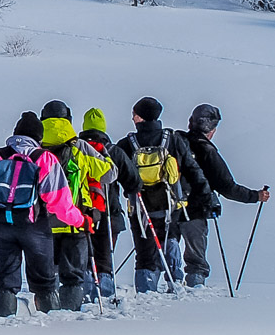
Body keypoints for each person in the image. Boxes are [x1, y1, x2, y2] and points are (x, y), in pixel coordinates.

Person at [0, 111, 86, 315]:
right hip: (36, 228)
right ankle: (48, 325)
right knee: (44, 282)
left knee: (6, 280)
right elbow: (58, 201)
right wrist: (79, 220)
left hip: (2, 226)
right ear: (39, 138)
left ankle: (1, 321)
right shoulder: (44, 159)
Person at [115, 96, 203, 294]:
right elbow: (192, 169)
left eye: (134, 114)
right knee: (170, 237)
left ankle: (146, 288)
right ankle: (175, 279)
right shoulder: (172, 140)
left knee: (144, 249)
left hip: (139, 206)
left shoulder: (127, 143)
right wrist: (203, 194)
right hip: (170, 202)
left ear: (139, 117)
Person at [178, 104, 270, 287]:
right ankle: (193, 291)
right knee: (196, 259)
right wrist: (255, 196)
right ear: (211, 129)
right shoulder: (207, 151)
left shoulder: (175, 142)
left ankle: (156, 289)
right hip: (195, 208)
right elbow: (227, 187)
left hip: (164, 205)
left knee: (163, 251)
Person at [37, 101, 113, 311]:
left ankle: (47, 312)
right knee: (72, 276)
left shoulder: (37, 147)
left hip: (44, 223)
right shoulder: (79, 147)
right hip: (76, 220)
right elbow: (109, 173)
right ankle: (70, 317)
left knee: (47, 273)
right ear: (68, 119)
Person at [77, 107, 136, 298]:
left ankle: (83, 292)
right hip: (108, 214)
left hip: (80, 213)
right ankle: (104, 294)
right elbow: (134, 182)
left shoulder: (75, 149)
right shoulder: (113, 152)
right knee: (104, 257)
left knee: (84, 257)